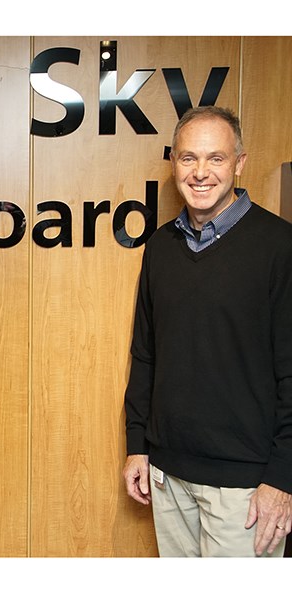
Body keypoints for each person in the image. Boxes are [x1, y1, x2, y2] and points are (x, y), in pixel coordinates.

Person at [122, 106, 292, 557]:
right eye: (188, 158)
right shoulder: (160, 247)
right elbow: (146, 353)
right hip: (167, 476)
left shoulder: (281, 247)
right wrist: (137, 446)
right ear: (174, 163)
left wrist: (283, 478)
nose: (200, 173)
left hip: (246, 490)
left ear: (239, 163)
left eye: (216, 159)